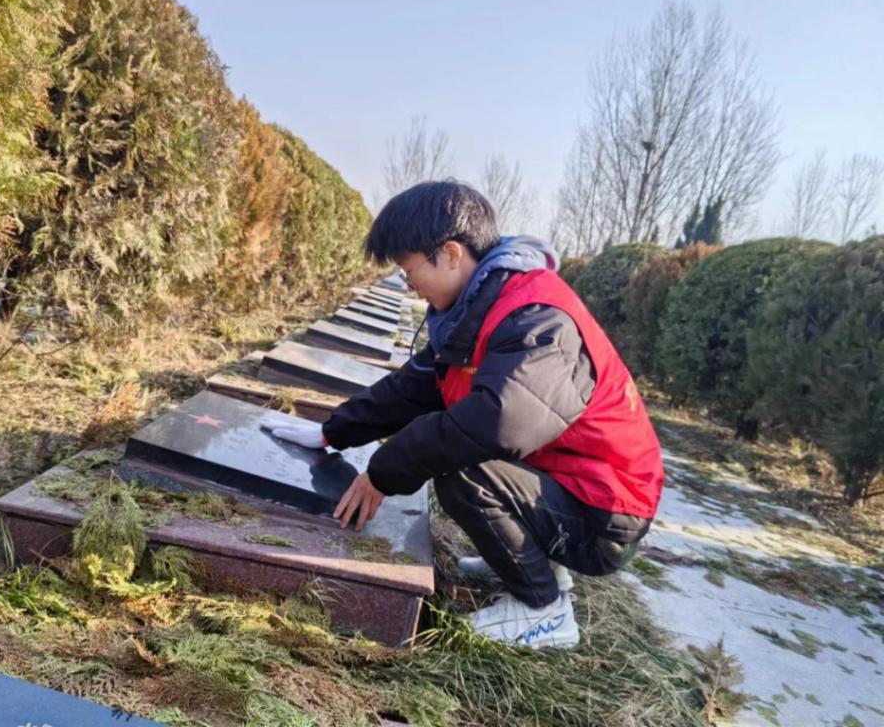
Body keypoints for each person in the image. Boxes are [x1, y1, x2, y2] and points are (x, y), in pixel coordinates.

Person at [262, 180, 664, 650]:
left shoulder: (537, 320)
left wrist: (382, 473)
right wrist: (333, 432)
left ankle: (544, 610)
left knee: (465, 472)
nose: (410, 285)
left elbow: (496, 424)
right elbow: (415, 387)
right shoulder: (479, 306)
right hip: (569, 482)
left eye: (409, 271)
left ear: (450, 253)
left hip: (605, 513)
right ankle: (539, 564)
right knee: (463, 457)